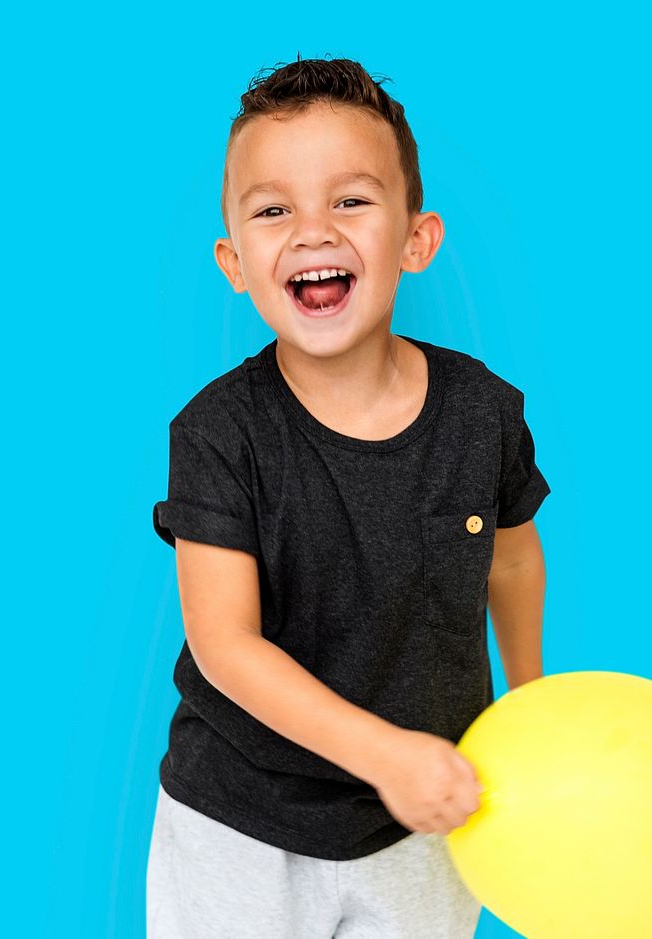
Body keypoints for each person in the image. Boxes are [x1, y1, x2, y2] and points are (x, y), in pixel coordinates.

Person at [147, 55, 551, 939]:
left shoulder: (484, 412)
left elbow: (514, 559)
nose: (311, 231)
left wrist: (529, 705)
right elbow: (225, 645)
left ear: (417, 240)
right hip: (240, 824)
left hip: (422, 821)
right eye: (273, 209)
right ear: (236, 262)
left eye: (351, 201)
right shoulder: (217, 434)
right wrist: (385, 753)